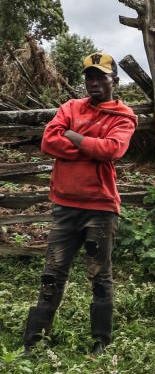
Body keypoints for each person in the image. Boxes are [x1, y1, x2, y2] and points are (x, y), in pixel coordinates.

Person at [23, 53, 138, 355]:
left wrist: (72, 136)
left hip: (100, 208)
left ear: (114, 80)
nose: (95, 82)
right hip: (65, 205)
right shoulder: (70, 107)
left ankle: (101, 340)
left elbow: (112, 149)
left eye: (101, 76)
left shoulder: (123, 115)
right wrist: (87, 145)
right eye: (90, 77)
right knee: (52, 272)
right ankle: (34, 340)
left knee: (99, 273)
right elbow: (49, 142)